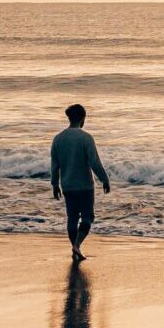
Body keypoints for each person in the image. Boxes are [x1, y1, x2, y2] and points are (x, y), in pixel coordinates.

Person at [49, 103, 111, 260]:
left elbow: (55, 166)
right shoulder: (86, 138)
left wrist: (55, 184)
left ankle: (75, 248)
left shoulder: (58, 139)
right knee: (87, 218)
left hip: (68, 186)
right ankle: (77, 246)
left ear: (69, 118)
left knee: (72, 218)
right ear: (83, 119)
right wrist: (104, 179)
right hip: (85, 186)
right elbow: (94, 163)